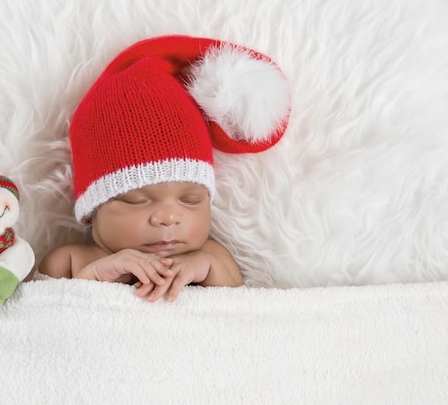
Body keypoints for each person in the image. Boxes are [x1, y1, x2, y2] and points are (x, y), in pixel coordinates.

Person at [39, 35, 291, 302]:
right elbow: (46, 315)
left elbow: (238, 313)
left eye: (190, 200)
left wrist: (206, 270)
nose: (168, 217)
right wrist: (94, 277)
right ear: (92, 209)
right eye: (135, 199)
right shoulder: (69, 262)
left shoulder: (212, 258)